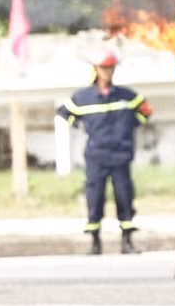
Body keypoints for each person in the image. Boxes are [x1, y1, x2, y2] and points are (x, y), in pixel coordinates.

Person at [58, 52, 152, 255]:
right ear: (96, 70)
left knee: (124, 195)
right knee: (95, 196)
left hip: (121, 153)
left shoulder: (127, 96)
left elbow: (146, 111)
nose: (107, 72)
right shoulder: (83, 97)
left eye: (110, 68)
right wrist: (80, 124)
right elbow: (64, 112)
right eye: (103, 68)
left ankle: (127, 242)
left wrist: (130, 126)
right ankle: (95, 242)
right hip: (96, 155)